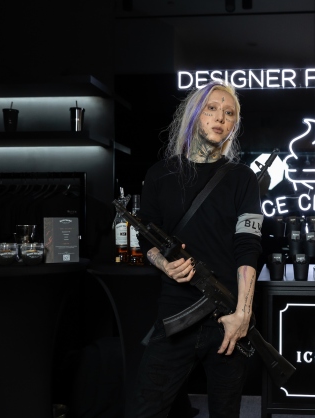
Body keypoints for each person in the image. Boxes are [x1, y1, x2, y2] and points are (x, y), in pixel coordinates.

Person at [130, 81, 263, 418]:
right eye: (211, 108)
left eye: (229, 113)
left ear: (234, 125)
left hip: (227, 318)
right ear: (194, 115)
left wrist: (242, 315)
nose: (220, 118)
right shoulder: (160, 175)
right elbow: (147, 238)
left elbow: (248, 246)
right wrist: (163, 264)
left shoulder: (243, 178)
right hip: (175, 314)